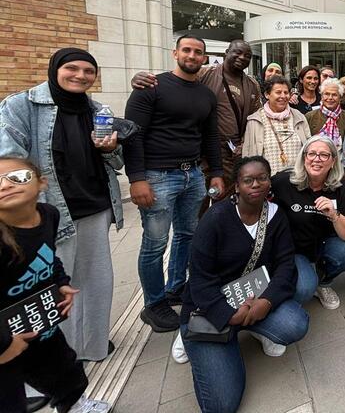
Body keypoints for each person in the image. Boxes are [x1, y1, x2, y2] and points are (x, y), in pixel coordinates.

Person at [0, 48, 123, 362]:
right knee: (50, 287)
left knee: (95, 282)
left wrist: (109, 148)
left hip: (94, 206)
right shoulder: (21, 106)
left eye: (88, 71)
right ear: (55, 69)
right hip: (48, 211)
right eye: (72, 68)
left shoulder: (97, 109)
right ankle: (56, 358)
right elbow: (9, 163)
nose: (80, 75)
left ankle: (92, 345)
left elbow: (115, 162)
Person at [179, 156, 309, 412]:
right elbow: (199, 279)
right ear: (236, 186)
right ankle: (201, 340)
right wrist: (228, 315)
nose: (256, 184)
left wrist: (267, 301)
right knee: (222, 405)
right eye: (248, 180)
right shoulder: (214, 219)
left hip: (253, 296)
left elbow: (285, 265)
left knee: (296, 323)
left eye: (262, 178)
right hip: (211, 306)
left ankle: (250, 328)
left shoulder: (275, 216)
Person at [124, 35, 225, 332]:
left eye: (198, 52)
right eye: (187, 50)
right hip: (157, 176)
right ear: (175, 53)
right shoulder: (151, 88)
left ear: (204, 58)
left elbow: (210, 137)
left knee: (187, 234)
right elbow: (133, 135)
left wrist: (216, 172)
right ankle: (154, 304)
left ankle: (176, 287)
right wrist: (137, 179)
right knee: (155, 243)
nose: (192, 55)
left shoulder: (206, 95)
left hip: (193, 174)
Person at [0, 157, 109, 413]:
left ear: (42, 183)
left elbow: (48, 256)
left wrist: (60, 283)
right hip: (6, 336)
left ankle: (73, 404)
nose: (5, 185)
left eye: (18, 177)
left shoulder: (49, 215)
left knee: (64, 367)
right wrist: (4, 343)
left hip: (39, 320)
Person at [131, 39, 262, 195]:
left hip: (234, 152)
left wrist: (244, 143)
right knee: (200, 202)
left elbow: (255, 117)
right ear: (226, 53)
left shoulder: (252, 84)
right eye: (237, 52)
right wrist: (141, 78)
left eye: (247, 55)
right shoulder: (205, 73)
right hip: (203, 152)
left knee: (226, 201)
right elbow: (177, 80)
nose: (242, 57)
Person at [271, 137, 345, 310]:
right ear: (304, 157)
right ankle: (305, 277)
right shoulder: (283, 182)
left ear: (333, 161)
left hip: (323, 244)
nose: (316, 159)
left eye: (324, 155)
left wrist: (334, 215)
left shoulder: (339, 186)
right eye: (311, 153)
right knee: (304, 290)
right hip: (294, 249)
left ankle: (323, 281)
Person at [243, 75, 311, 174]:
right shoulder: (255, 120)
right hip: (267, 181)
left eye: (286, 92)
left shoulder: (299, 117)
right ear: (267, 94)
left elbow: (309, 147)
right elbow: (247, 154)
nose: (283, 96)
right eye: (278, 92)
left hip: (298, 179)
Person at [305, 79, 345, 157]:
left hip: (340, 162)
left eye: (334, 95)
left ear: (340, 98)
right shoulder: (310, 116)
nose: (330, 98)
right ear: (321, 96)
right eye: (326, 94)